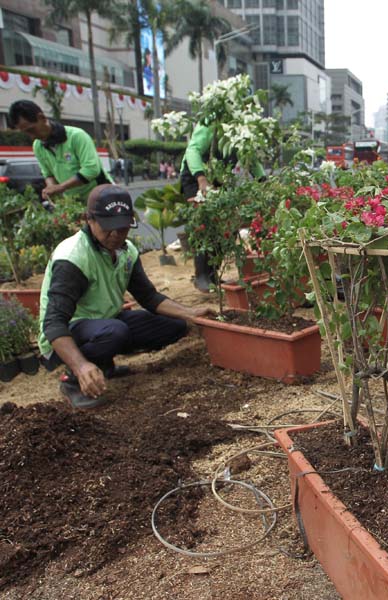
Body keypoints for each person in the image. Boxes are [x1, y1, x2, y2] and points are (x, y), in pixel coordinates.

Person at [37, 184, 215, 409]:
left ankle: (103, 365)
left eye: (121, 229)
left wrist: (190, 313)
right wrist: (81, 366)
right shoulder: (73, 258)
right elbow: (53, 324)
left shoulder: (126, 251)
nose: (115, 235)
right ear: (89, 220)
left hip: (106, 322)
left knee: (175, 325)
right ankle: (73, 379)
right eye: (108, 227)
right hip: (67, 334)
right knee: (114, 332)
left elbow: (148, 297)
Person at [180, 122, 266, 292]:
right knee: (204, 226)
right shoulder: (209, 123)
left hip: (221, 176)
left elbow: (251, 158)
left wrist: (262, 181)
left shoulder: (242, 127)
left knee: (228, 224)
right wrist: (201, 179)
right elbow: (192, 151)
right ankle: (202, 275)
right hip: (195, 175)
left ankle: (213, 273)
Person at [8, 100, 114, 202]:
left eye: (31, 130)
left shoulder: (76, 136)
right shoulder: (38, 146)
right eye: (25, 133)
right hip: (73, 202)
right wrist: (51, 188)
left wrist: (61, 187)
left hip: (102, 196)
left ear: (41, 117)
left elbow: (91, 169)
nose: (31, 136)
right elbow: (48, 174)